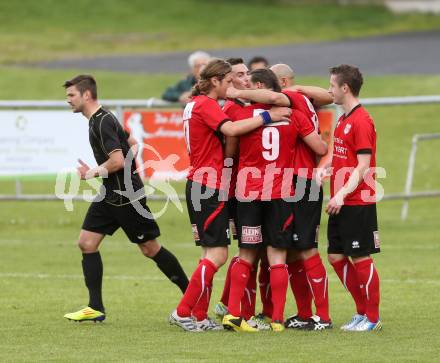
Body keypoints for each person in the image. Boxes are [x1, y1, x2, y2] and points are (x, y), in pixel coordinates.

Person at [168, 59, 291, 332]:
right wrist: (268, 117)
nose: (230, 87)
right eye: (227, 81)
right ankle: (182, 311)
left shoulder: (193, 104)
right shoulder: (205, 104)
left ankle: (199, 316)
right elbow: (232, 130)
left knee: (208, 253)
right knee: (219, 254)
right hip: (208, 184)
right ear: (215, 81)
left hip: (200, 183)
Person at [62, 75, 189, 322]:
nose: (68, 100)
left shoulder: (102, 122)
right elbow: (132, 143)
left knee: (150, 248)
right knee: (87, 243)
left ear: (86, 95)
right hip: (111, 193)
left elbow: (118, 160)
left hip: (126, 196)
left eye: (71, 95)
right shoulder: (100, 118)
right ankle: (95, 307)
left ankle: (193, 298)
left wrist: (93, 172)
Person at [226, 65, 331, 330]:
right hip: (284, 187)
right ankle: (283, 317)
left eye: (249, 84)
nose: (245, 87)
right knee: (285, 252)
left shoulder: (256, 111)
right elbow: (321, 145)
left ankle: (319, 316)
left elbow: (231, 147)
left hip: (275, 185)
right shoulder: (298, 108)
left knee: (261, 251)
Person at [318, 64, 382, 331]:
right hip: (341, 200)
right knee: (335, 256)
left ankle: (373, 318)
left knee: (361, 258)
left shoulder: (361, 120)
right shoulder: (343, 118)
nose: (329, 90)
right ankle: (361, 311)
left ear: (345, 88)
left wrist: (342, 194)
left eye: (332, 85)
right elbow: (344, 157)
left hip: (357, 201)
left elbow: (364, 165)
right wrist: (326, 169)